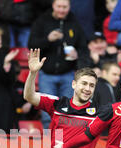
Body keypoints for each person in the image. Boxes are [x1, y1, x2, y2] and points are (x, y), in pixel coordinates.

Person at [28, 0, 88, 129]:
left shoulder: (74, 23)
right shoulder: (42, 21)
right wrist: (48, 40)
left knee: (67, 113)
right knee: (46, 114)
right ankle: (47, 145)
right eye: (59, 6)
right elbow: (31, 44)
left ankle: (62, 146)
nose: (61, 10)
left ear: (69, 7)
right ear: (53, 6)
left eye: (64, 7)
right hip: (46, 74)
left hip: (68, 74)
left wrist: (77, 56)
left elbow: (83, 48)